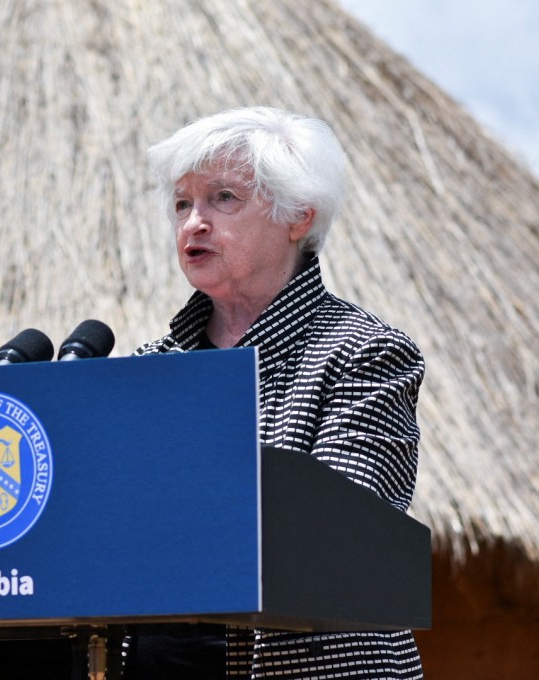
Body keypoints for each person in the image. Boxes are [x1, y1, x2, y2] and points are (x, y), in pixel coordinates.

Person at [129, 106, 425, 679]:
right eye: (182, 203)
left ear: (297, 216)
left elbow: (339, 530)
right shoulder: (149, 367)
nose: (193, 223)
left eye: (223, 198)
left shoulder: (365, 354)